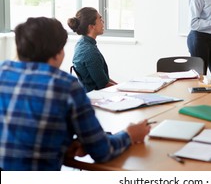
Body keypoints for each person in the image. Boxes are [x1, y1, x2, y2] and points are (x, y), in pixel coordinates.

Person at [0, 17, 150, 170]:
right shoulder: (65, 86)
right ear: (58, 52)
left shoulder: (3, 71)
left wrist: (64, 144)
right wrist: (130, 134)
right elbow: (103, 151)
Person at [68, 7, 117, 92]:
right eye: (100, 18)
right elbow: (104, 85)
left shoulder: (82, 42)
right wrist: (124, 90)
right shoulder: (90, 52)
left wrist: (121, 86)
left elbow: (104, 79)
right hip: (96, 97)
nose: (103, 21)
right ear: (91, 26)